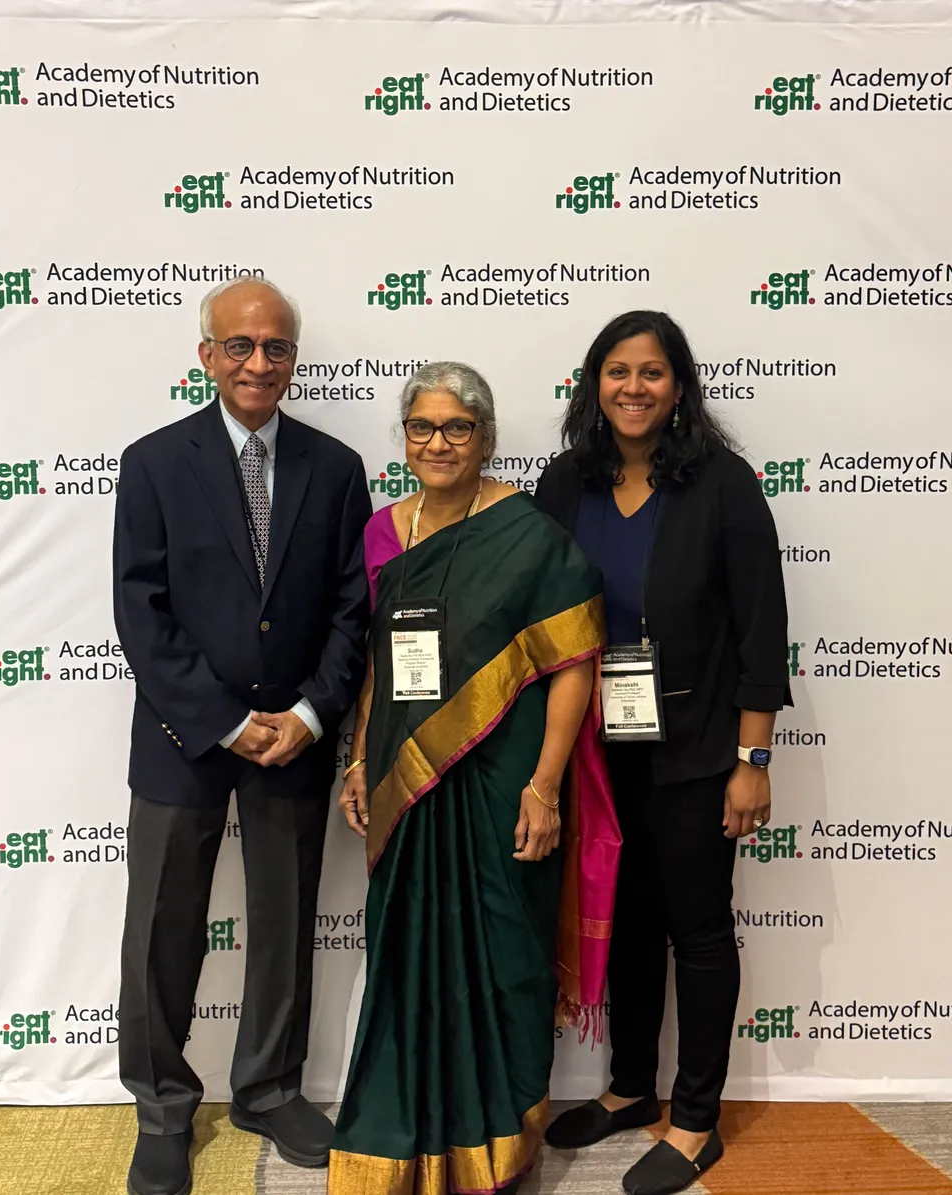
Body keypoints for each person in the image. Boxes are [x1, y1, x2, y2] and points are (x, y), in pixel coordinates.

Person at [330, 362, 619, 1195]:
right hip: (405, 785)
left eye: (457, 427)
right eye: (422, 427)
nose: (439, 442)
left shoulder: (527, 533)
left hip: (501, 785)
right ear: (404, 438)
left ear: (486, 438)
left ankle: (499, 1144)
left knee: (504, 958)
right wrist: (360, 757)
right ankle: (403, 1141)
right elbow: (380, 663)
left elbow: (573, 663)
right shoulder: (383, 533)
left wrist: (544, 785)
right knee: (406, 959)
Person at [113, 277, 371, 1195]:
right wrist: (224, 721)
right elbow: (141, 613)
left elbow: (352, 609)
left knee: (285, 920)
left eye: (276, 347)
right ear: (207, 355)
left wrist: (309, 715)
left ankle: (268, 1089)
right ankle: (162, 1107)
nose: (259, 362)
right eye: (240, 345)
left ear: (294, 357)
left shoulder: (336, 468)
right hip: (183, 736)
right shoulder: (153, 463)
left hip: (294, 738)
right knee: (161, 926)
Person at [537, 311, 791, 1195]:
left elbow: (762, 631)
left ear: (679, 385)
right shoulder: (566, 482)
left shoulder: (723, 484)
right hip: (596, 752)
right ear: (594, 383)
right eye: (617, 371)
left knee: (699, 928)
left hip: (698, 751)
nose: (633, 388)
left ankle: (695, 1120)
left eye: (651, 372)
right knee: (631, 921)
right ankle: (630, 1086)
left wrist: (752, 760)